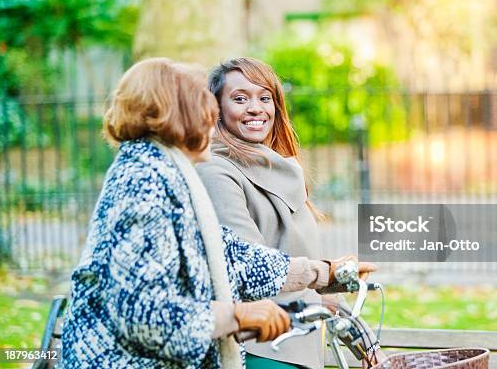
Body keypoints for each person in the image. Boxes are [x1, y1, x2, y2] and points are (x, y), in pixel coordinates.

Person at [60, 57, 375, 369]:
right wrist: (235, 315)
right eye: (205, 109)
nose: (214, 123)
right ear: (178, 116)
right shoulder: (144, 181)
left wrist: (324, 271)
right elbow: (143, 313)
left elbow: (232, 257)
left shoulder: (168, 174)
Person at [198, 57, 383, 369]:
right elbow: (251, 269)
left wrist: (364, 339)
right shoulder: (217, 172)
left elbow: (295, 269)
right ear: (216, 110)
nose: (256, 108)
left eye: (265, 97)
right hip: (261, 348)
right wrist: (326, 273)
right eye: (240, 98)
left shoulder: (283, 167)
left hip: (302, 342)